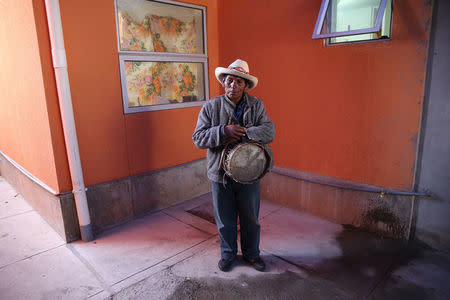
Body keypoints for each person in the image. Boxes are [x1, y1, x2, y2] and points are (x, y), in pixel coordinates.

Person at [192, 59, 275, 272]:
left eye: (239, 82)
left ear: (245, 85)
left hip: (251, 172)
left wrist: (247, 132)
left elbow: (269, 132)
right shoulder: (211, 107)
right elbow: (198, 138)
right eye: (229, 80)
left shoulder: (256, 105)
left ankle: (252, 254)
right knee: (224, 219)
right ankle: (227, 254)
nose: (233, 86)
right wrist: (223, 132)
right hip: (220, 175)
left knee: (250, 218)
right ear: (223, 82)